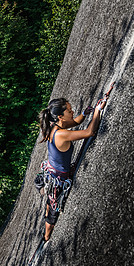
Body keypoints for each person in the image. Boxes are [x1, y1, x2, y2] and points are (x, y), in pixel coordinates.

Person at [38, 97, 107, 241]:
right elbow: (89, 132)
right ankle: (46, 236)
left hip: (52, 171)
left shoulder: (56, 126)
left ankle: (47, 214)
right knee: (53, 213)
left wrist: (84, 113)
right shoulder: (61, 134)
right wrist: (98, 111)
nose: (72, 111)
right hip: (57, 179)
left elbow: (75, 122)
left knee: (50, 204)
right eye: (69, 110)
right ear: (60, 116)